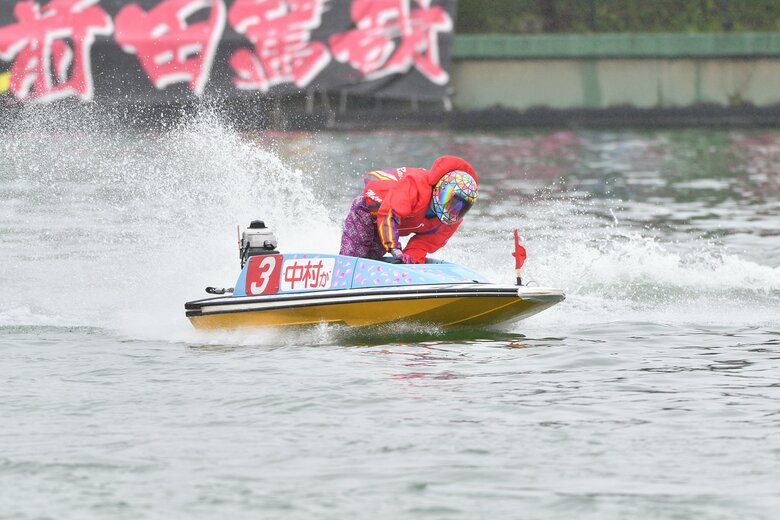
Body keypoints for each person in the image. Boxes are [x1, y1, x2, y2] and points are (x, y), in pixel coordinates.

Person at [339, 155, 478, 264]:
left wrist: (410, 261)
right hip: (367, 211)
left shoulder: (450, 222)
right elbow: (389, 213)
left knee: (370, 261)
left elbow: (422, 245)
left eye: (461, 207)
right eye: (450, 199)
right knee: (355, 257)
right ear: (440, 188)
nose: (452, 209)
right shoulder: (417, 186)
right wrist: (395, 249)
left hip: (389, 227)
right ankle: (339, 279)